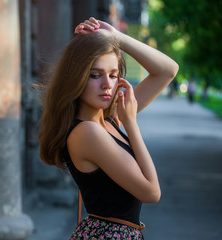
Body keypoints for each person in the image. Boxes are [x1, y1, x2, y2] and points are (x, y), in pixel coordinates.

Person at [38, 17, 179, 239]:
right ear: (77, 78)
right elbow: (151, 192)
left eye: (113, 75)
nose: (107, 84)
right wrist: (131, 124)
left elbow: (168, 70)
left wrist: (116, 37)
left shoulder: (108, 121)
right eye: (95, 75)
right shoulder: (88, 132)